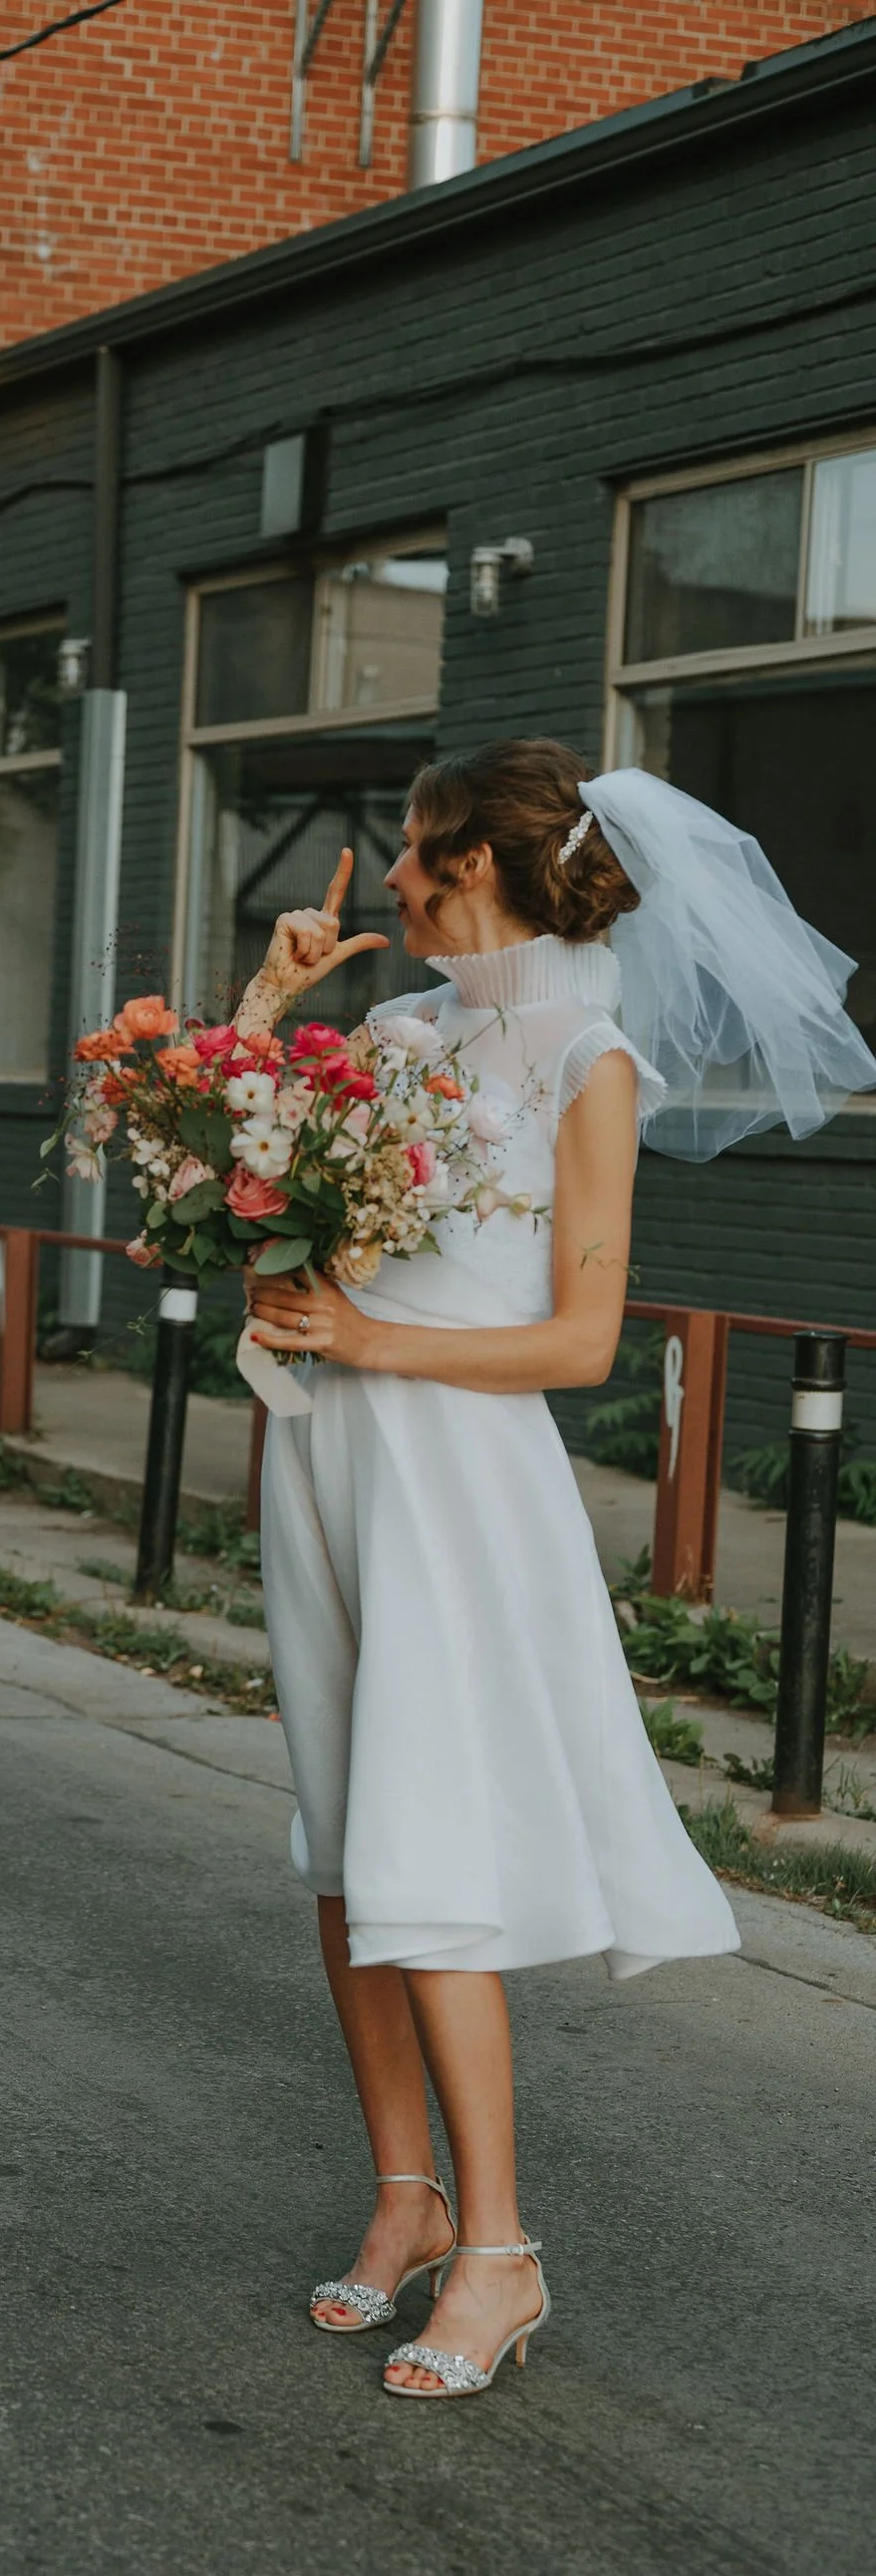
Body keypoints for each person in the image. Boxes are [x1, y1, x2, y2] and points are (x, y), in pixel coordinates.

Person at [233, 740, 870, 2399]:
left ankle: (500, 2254)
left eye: (411, 853)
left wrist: (368, 1329)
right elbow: (240, 1201)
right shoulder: (388, 1031)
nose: (383, 880)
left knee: (423, 1837)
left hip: (454, 1474)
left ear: (482, 866)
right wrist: (257, 1005)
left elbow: (582, 1336)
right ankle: (405, 2195)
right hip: (319, 1456)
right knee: (337, 1837)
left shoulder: (587, 1061)